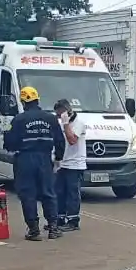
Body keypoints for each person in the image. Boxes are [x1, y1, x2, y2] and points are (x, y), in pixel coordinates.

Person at [3, 85, 65, 240]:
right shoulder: (50, 118)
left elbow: (9, 143)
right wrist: (58, 158)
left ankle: (34, 230)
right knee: (48, 193)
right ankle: (53, 228)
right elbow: (60, 141)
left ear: (23, 102)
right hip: (44, 159)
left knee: (28, 194)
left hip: (25, 159)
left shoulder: (18, 119)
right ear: (38, 99)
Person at [53, 98, 86, 231]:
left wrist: (66, 124)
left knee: (72, 193)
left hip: (75, 164)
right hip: (63, 163)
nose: (59, 118)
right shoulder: (62, 123)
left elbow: (72, 140)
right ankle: (60, 218)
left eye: (60, 114)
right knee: (59, 192)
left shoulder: (79, 123)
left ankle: (73, 220)